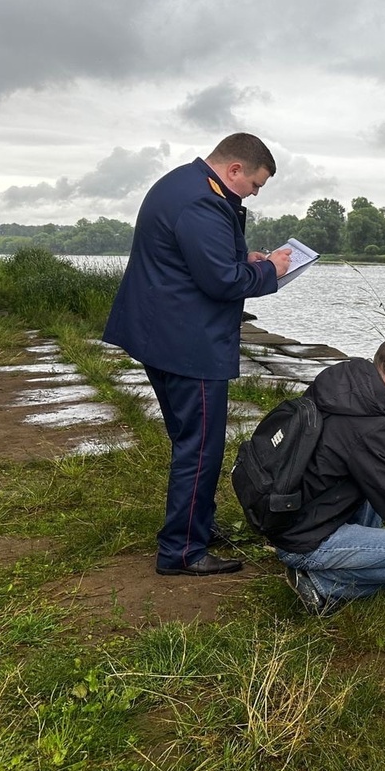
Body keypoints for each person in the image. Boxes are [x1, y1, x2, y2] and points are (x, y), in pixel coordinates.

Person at [104, 132, 293, 576]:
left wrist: (243, 256)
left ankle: (194, 527)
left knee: (191, 442)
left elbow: (193, 257)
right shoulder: (203, 201)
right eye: (255, 185)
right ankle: (183, 550)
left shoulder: (181, 184)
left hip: (162, 335)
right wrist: (269, 270)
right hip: (188, 344)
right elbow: (221, 282)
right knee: (200, 449)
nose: (254, 193)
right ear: (233, 171)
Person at [273, 335, 385, 614]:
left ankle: (356, 559)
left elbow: (361, 440)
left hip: (292, 517)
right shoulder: (368, 426)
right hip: (307, 540)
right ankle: (321, 583)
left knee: (380, 475)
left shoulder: (342, 379)